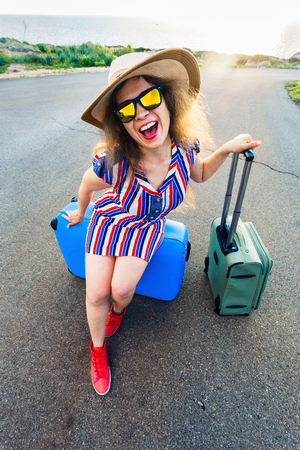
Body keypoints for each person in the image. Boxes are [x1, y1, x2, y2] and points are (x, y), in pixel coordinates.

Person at [63, 49, 261, 395]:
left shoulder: (185, 150)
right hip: (109, 220)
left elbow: (198, 173)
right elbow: (86, 183)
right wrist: (81, 212)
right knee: (96, 293)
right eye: (126, 109)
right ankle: (97, 349)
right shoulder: (115, 162)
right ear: (121, 122)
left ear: (167, 100)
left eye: (149, 97)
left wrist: (226, 150)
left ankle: (118, 311)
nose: (140, 113)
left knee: (120, 291)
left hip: (147, 227)